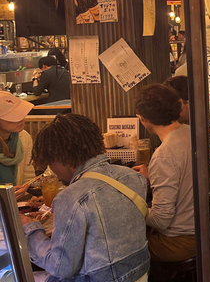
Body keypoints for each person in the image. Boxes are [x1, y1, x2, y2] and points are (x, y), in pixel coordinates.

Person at [21, 113, 150, 282]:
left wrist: (31, 229)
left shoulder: (71, 197)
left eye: (49, 163)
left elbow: (61, 267)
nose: (52, 170)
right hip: (139, 273)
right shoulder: (133, 177)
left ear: (60, 159)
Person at [134, 84, 196, 262]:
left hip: (179, 241)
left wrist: (130, 203)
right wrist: (152, 176)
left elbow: (161, 221)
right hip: (204, 230)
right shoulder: (193, 132)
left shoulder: (164, 155)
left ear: (143, 118)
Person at [0, 91, 35, 186]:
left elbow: (28, 178)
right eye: (12, 115)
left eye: (20, 112)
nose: (21, 118)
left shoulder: (23, 137)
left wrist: (27, 192)